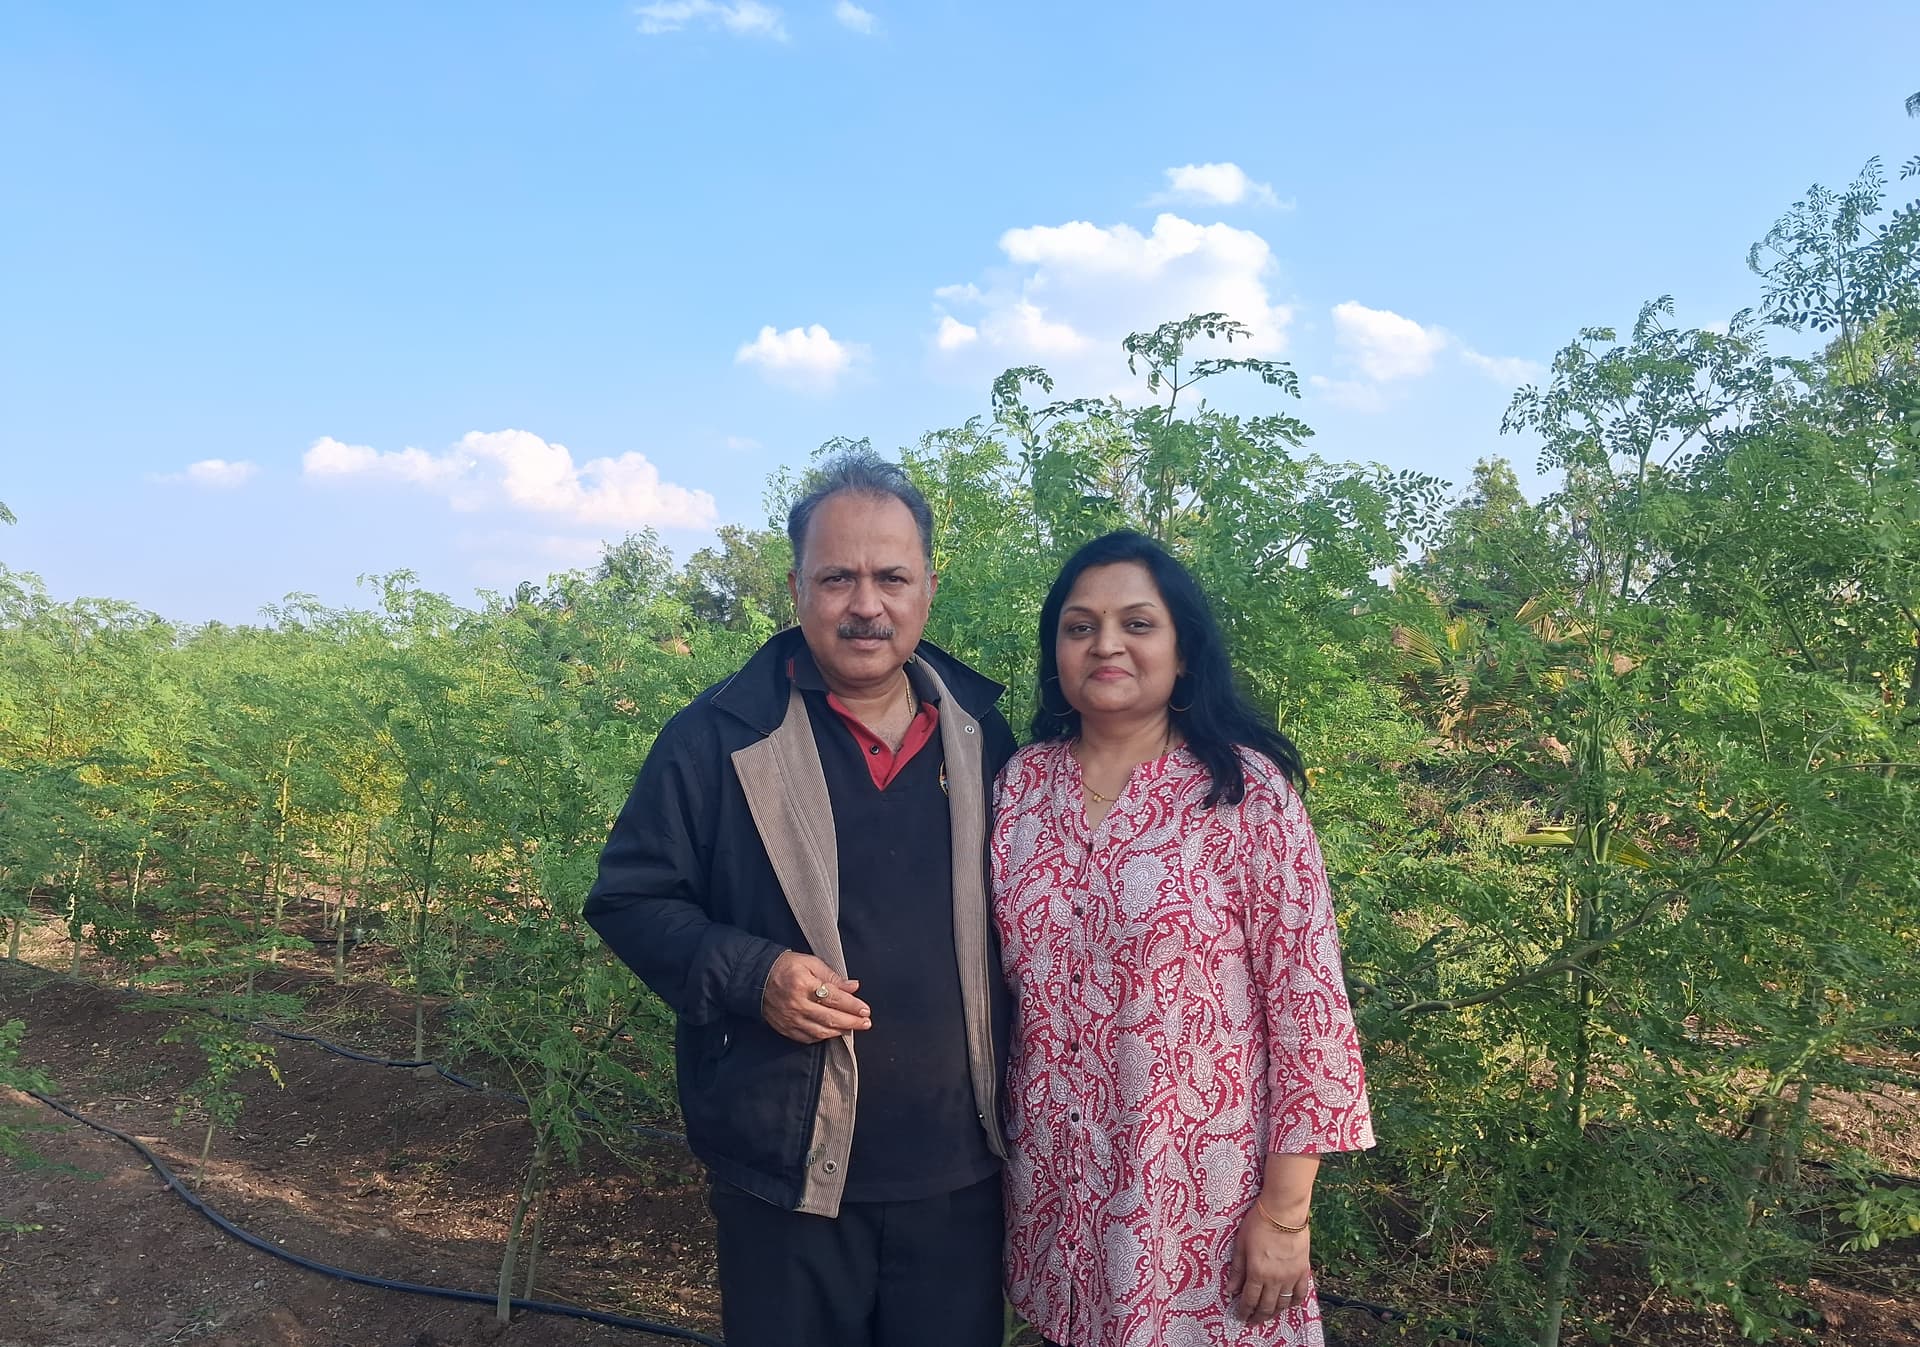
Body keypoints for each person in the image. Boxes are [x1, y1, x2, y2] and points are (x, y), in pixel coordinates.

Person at [585, 450, 1018, 1347]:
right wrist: (754, 973)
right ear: (796, 589)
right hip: (788, 1171)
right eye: (838, 577)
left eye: (891, 576)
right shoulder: (720, 737)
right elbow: (630, 897)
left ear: (929, 587)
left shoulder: (986, 738)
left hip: (960, 1169)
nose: (867, 603)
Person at [991, 530, 1375, 1347]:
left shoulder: (1243, 792)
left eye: (1138, 623)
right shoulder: (1020, 788)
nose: (1105, 644)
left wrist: (1285, 1213)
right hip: (1058, 1197)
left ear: (1184, 650)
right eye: (1078, 625)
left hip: (1203, 1206)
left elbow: (1310, 1013)